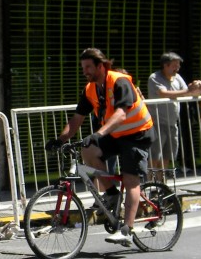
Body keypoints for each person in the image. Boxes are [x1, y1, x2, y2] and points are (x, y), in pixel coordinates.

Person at [47, 48, 153, 246]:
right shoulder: (90, 89)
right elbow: (77, 118)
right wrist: (60, 139)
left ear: (101, 66)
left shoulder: (120, 81)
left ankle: (127, 230)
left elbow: (121, 114)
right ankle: (112, 194)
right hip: (115, 135)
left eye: (88, 67)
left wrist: (98, 134)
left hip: (137, 135)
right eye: (83, 67)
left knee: (131, 179)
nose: (85, 71)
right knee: (88, 151)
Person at [147, 52, 201, 173]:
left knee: (168, 155)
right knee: (154, 155)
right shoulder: (154, 77)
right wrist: (188, 90)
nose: (177, 68)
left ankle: (161, 184)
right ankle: (150, 184)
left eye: (178, 65)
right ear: (165, 65)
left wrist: (198, 89)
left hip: (172, 123)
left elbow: (188, 92)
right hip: (157, 123)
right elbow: (163, 93)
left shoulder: (177, 77)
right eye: (174, 65)